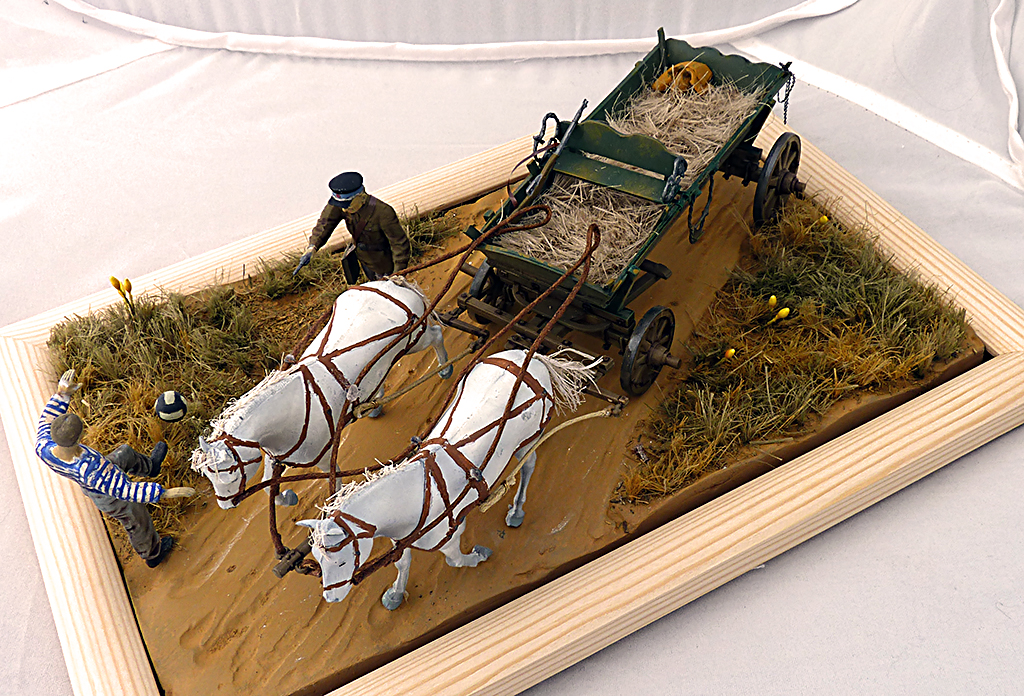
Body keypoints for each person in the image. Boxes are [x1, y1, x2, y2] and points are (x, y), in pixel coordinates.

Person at [35, 369, 195, 568]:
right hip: (106, 494)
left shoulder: (43, 446)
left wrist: (62, 395)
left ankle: (150, 467)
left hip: (99, 474)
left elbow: (46, 420)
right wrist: (163, 493)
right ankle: (152, 553)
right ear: (78, 438)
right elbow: (127, 490)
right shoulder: (92, 470)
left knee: (124, 453)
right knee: (135, 515)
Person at [294, 171, 412, 282]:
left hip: (383, 262)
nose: (344, 210)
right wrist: (312, 247)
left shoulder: (383, 212)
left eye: (348, 205)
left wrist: (398, 274)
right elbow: (325, 223)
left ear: (361, 197)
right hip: (364, 259)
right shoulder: (341, 204)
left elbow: (399, 244)